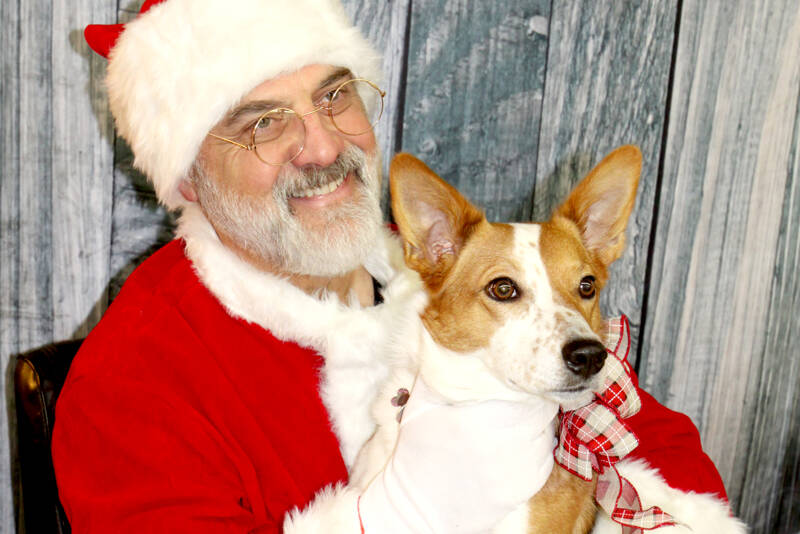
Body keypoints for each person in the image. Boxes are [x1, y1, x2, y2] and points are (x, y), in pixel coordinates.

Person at [52, 0, 742, 533]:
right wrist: (398, 510)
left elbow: (650, 437)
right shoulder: (132, 384)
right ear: (190, 176)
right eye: (262, 122)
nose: (322, 146)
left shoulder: (448, 269)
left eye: (334, 95)